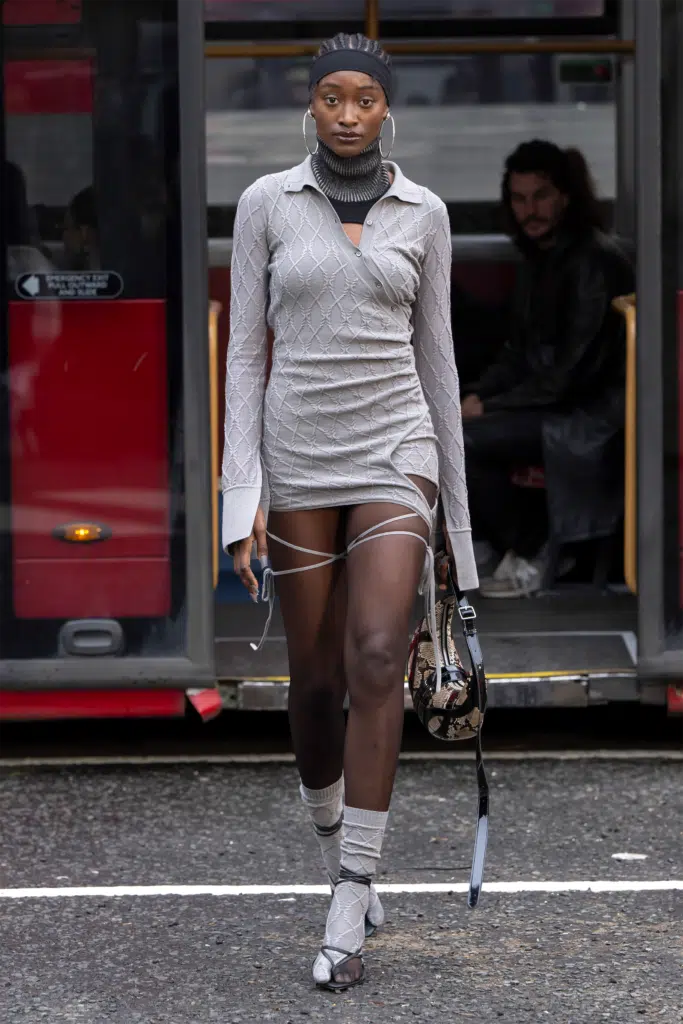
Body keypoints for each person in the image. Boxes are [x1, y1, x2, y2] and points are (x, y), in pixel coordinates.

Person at [222, 32, 477, 991]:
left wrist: (455, 524)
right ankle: (331, 831)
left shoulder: (426, 214)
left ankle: (352, 888)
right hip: (297, 454)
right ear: (310, 107)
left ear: (385, 109)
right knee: (316, 680)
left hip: (393, 450)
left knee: (378, 654)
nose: (345, 113)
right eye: (330, 96)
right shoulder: (266, 206)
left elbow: (438, 362)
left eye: (362, 97)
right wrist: (238, 499)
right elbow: (246, 355)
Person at [460, 139, 634, 598]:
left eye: (540, 197)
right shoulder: (543, 258)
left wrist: (489, 404)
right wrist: (476, 395)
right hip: (559, 401)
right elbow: (520, 352)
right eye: (519, 199)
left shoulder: (593, 264)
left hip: (590, 413)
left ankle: (536, 546)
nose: (528, 210)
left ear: (565, 197)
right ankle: (493, 544)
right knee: (451, 426)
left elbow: (571, 375)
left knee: (464, 442)